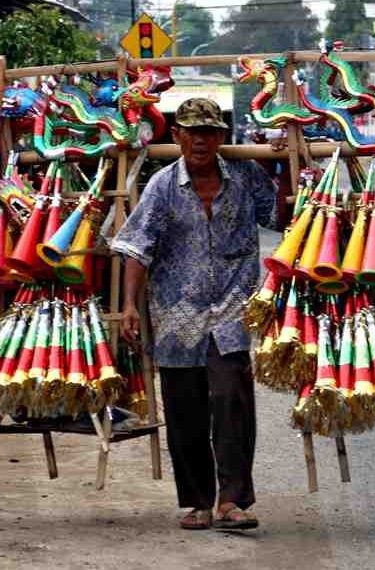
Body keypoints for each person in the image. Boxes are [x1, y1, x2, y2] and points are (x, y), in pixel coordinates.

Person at [111, 98, 280, 531]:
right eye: (192, 131)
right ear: (177, 135)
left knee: (231, 402)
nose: (201, 139)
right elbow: (137, 248)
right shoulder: (163, 186)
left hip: (232, 311)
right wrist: (130, 305)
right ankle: (199, 502)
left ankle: (232, 500)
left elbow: (281, 215)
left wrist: (290, 162)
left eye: (209, 132)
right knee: (184, 413)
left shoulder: (244, 178)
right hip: (175, 316)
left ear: (222, 138)